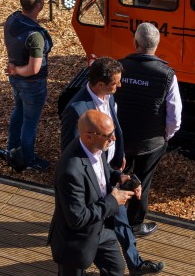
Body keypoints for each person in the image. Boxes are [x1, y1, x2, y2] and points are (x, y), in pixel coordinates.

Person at [59, 58, 165, 275]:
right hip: (89, 181)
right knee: (94, 226)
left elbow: (113, 128)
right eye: (115, 83)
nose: (119, 87)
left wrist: (118, 163)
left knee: (121, 217)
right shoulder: (76, 110)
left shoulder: (107, 96)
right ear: (100, 84)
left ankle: (135, 264)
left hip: (107, 170)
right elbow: (71, 151)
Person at [49, 110, 137, 276]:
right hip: (75, 240)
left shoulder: (95, 147)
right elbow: (77, 218)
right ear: (89, 136)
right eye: (108, 135)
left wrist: (120, 177)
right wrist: (113, 201)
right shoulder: (70, 171)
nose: (114, 138)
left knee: (116, 269)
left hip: (101, 229)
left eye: (113, 133)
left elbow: (103, 172)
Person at [116, 23, 182, 235]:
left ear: (135, 43)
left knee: (114, 177)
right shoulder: (167, 75)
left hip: (119, 140)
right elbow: (174, 115)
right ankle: (135, 224)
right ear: (157, 45)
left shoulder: (118, 67)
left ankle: (108, 218)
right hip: (150, 142)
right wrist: (165, 137)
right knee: (142, 181)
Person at [4, 0, 53, 171]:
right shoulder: (36, 36)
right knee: (30, 122)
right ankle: (28, 160)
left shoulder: (12, 19)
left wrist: (14, 68)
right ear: (39, 6)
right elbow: (34, 68)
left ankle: (12, 148)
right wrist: (17, 70)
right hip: (31, 83)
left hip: (15, 80)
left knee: (18, 111)